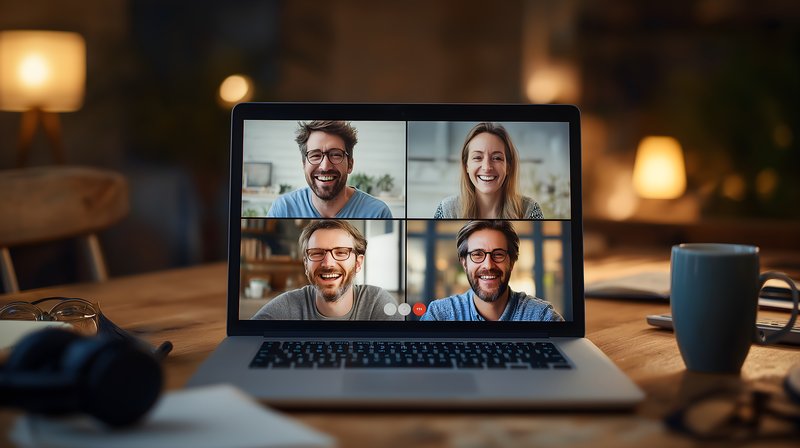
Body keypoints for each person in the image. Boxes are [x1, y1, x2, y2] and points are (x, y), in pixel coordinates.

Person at [252, 220, 401, 320]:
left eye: (341, 252)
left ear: (358, 263)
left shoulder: (378, 303)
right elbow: (247, 339)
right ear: (306, 264)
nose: (328, 263)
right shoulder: (286, 306)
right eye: (317, 253)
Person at [421, 220, 563, 322]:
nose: (488, 265)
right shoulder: (439, 314)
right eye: (477, 254)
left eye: (498, 254)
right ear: (464, 263)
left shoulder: (542, 316)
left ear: (512, 262)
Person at [267, 120, 392, 218]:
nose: (325, 166)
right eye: (315, 155)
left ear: (350, 165)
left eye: (336, 154)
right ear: (304, 165)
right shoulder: (283, 208)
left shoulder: (377, 212)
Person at [433, 122, 544, 219]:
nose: (487, 167)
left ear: (508, 166)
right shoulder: (447, 210)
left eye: (496, 158)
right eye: (477, 157)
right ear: (466, 165)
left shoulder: (530, 210)